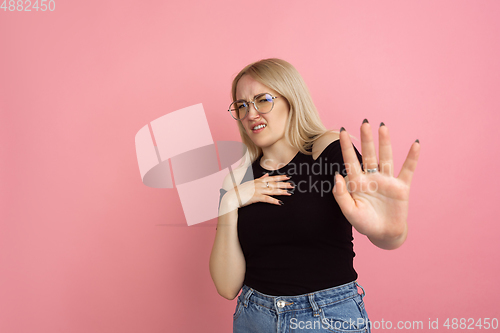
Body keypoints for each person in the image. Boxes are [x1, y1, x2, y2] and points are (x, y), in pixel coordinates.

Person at [209, 58, 420, 333]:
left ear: (291, 100)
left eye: (263, 100)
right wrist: (229, 202)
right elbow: (227, 287)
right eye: (242, 105)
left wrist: (390, 232)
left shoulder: (329, 150)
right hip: (254, 318)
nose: (251, 114)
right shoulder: (238, 179)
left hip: (325, 318)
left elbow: (384, 233)